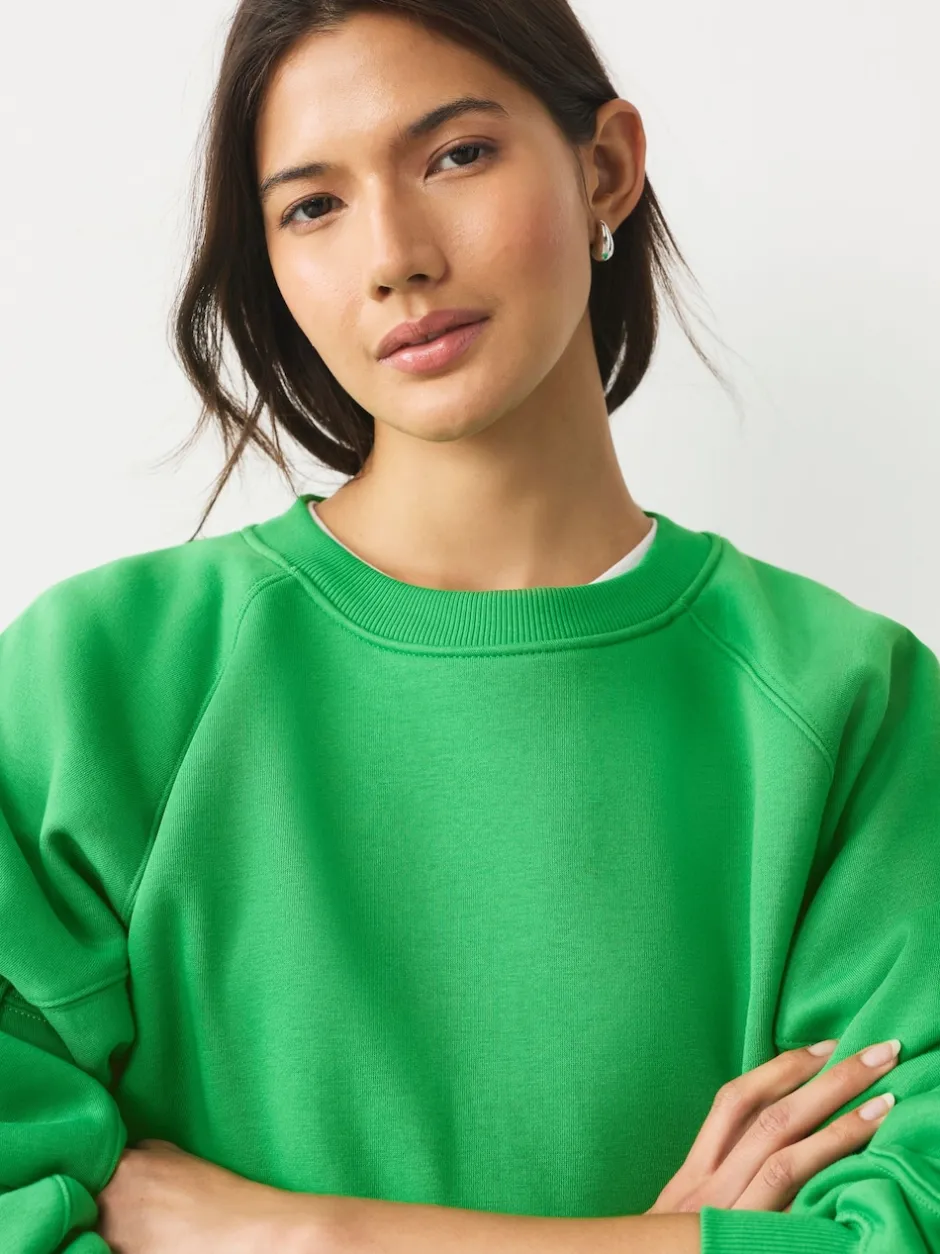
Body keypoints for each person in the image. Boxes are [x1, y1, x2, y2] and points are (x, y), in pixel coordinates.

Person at [1, 3, 938, 1253]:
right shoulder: (97, 685)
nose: (395, 256)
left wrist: (294, 1235)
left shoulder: (848, 702)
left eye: (455, 155)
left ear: (604, 169)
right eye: (312, 207)